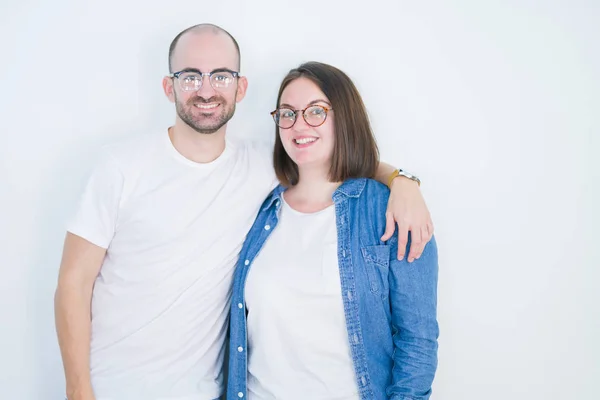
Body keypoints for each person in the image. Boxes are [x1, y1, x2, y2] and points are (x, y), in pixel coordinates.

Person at [54, 24, 434, 400]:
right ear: (169, 86)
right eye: (190, 76)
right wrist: (78, 391)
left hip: (205, 392)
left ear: (241, 87)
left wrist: (404, 181)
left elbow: (331, 157)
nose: (206, 90)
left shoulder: (264, 169)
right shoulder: (122, 166)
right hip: (112, 387)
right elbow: (73, 284)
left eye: (220, 75)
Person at [226, 61, 439, 400]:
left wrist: (404, 182)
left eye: (316, 111)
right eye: (287, 113)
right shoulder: (261, 208)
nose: (299, 124)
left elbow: (417, 341)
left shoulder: (392, 210)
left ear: (345, 117)